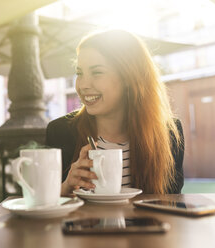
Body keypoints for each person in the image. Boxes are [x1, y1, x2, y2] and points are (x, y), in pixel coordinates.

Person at [46, 30, 184, 196]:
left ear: (129, 78)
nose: (83, 85)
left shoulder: (168, 133)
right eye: (79, 73)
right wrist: (66, 186)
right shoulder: (60, 131)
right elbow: (45, 206)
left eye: (97, 72)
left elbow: (172, 203)